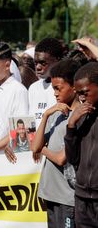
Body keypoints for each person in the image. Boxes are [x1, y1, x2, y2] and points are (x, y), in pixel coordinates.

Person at [31, 59, 82, 228]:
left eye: (58, 88)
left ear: (74, 87)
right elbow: (34, 146)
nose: (55, 93)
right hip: (51, 193)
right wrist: (45, 115)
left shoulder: (80, 117)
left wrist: (42, 149)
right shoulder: (56, 112)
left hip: (68, 197)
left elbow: (61, 158)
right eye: (53, 88)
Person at [64, 62, 98, 227]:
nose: (82, 98)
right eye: (78, 94)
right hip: (82, 198)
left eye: (85, 92)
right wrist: (71, 126)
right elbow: (72, 157)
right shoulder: (80, 116)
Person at [28, 37, 64, 127]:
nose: (38, 67)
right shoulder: (33, 88)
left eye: (43, 63)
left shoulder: (65, 88)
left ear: (58, 60)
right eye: (35, 63)